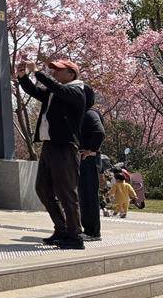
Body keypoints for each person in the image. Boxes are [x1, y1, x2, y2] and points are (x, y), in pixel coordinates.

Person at [18, 58, 87, 249]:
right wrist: (23, 77)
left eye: (58, 70)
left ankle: (75, 236)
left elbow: (57, 89)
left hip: (65, 146)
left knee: (66, 192)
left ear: (71, 74)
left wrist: (37, 72)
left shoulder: (76, 91)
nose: (54, 72)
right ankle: (62, 229)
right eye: (53, 69)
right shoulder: (56, 92)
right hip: (49, 145)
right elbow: (35, 91)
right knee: (43, 189)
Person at [78, 86, 105, 240]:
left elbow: (99, 132)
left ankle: (93, 232)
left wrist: (91, 150)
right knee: (84, 195)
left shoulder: (90, 113)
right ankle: (88, 230)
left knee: (89, 196)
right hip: (86, 160)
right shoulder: (86, 113)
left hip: (89, 160)